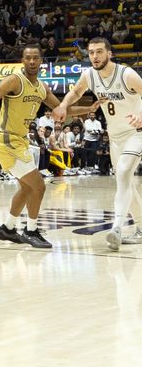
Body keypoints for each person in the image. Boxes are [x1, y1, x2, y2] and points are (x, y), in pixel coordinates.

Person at [0, 45, 95, 249]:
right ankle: (31, 230)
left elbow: (62, 110)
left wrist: (90, 108)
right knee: (38, 185)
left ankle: (8, 228)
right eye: (27, 58)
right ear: (22, 61)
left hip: (20, 140)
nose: (32, 61)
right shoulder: (15, 80)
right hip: (5, 139)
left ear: (41, 61)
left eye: (35, 58)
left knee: (27, 187)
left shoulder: (41, 87)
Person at [53, 37, 142, 251]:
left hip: (136, 132)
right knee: (126, 182)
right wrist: (64, 105)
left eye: (99, 52)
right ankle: (140, 228)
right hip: (115, 136)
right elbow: (76, 92)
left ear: (109, 53)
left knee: (122, 173)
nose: (95, 56)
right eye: (91, 52)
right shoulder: (89, 75)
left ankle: (117, 228)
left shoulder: (126, 74)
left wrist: (140, 112)